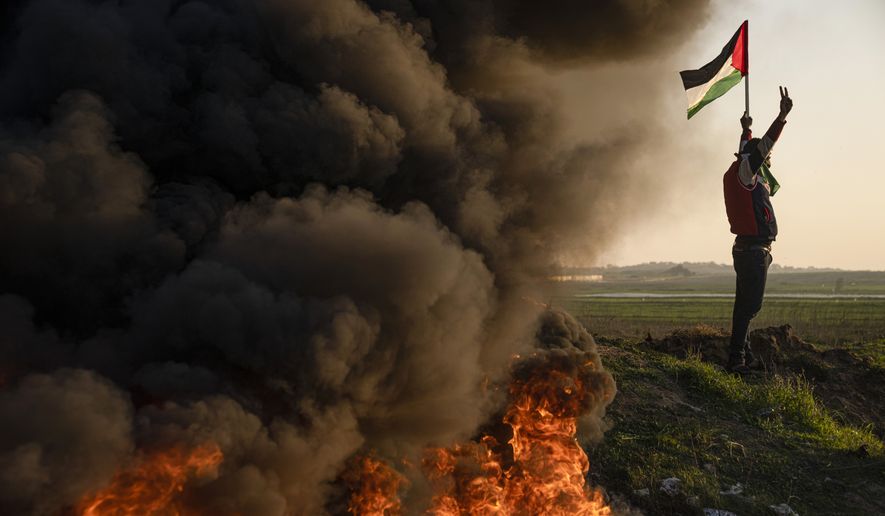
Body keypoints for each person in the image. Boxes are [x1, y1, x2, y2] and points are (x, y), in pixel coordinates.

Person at [723, 86, 793, 373]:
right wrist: (781, 117)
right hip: (753, 252)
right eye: (764, 161)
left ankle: (744, 357)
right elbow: (760, 149)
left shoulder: (740, 169)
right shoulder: (746, 172)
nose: (767, 163)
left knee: (745, 307)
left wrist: (745, 130)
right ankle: (737, 359)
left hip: (747, 250)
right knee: (750, 308)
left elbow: (748, 150)